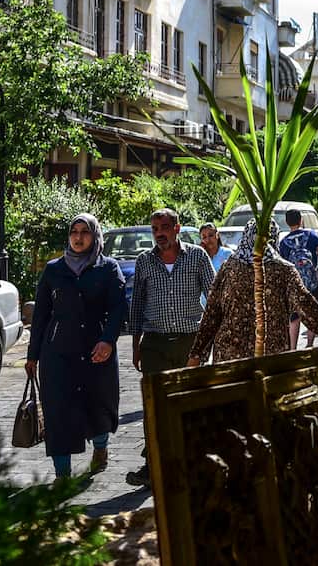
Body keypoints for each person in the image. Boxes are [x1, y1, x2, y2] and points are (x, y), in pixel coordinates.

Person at [25, 213, 124, 479]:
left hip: (96, 351)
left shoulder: (108, 268)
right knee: (58, 410)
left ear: (95, 236)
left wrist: (108, 341)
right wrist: (32, 355)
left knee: (99, 404)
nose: (78, 237)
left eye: (85, 232)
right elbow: (41, 315)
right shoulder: (54, 269)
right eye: (74, 232)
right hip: (58, 352)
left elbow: (117, 309)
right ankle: (62, 474)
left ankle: (101, 449)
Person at [126, 207, 215, 486]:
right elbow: (138, 304)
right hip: (155, 343)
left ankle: (190, 465)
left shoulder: (197, 257)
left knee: (189, 405)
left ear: (177, 228)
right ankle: (153, 466)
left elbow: (213, 299)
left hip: (190, 342)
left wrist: (204, 346)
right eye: (155, 229)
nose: (159, 234)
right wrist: (135, 345)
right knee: (154, 406)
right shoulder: (144, 261)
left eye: (164, 227)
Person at [188, 218, 318, 365]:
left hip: (230, 358)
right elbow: (308, 309)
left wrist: (196, 356)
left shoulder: (229, 268)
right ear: (273, 237)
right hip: (271, 358)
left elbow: (211, 315)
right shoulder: (284, 270)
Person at [278, 208, 318, 349]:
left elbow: (283, 266)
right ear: (301, 219)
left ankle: (293, 349)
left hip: (295, 285)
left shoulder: (284, 242)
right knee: (313, 315)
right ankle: (309, 345)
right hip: (312, 283)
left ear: (286, 222)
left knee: (294, 317)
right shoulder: (312, 236)